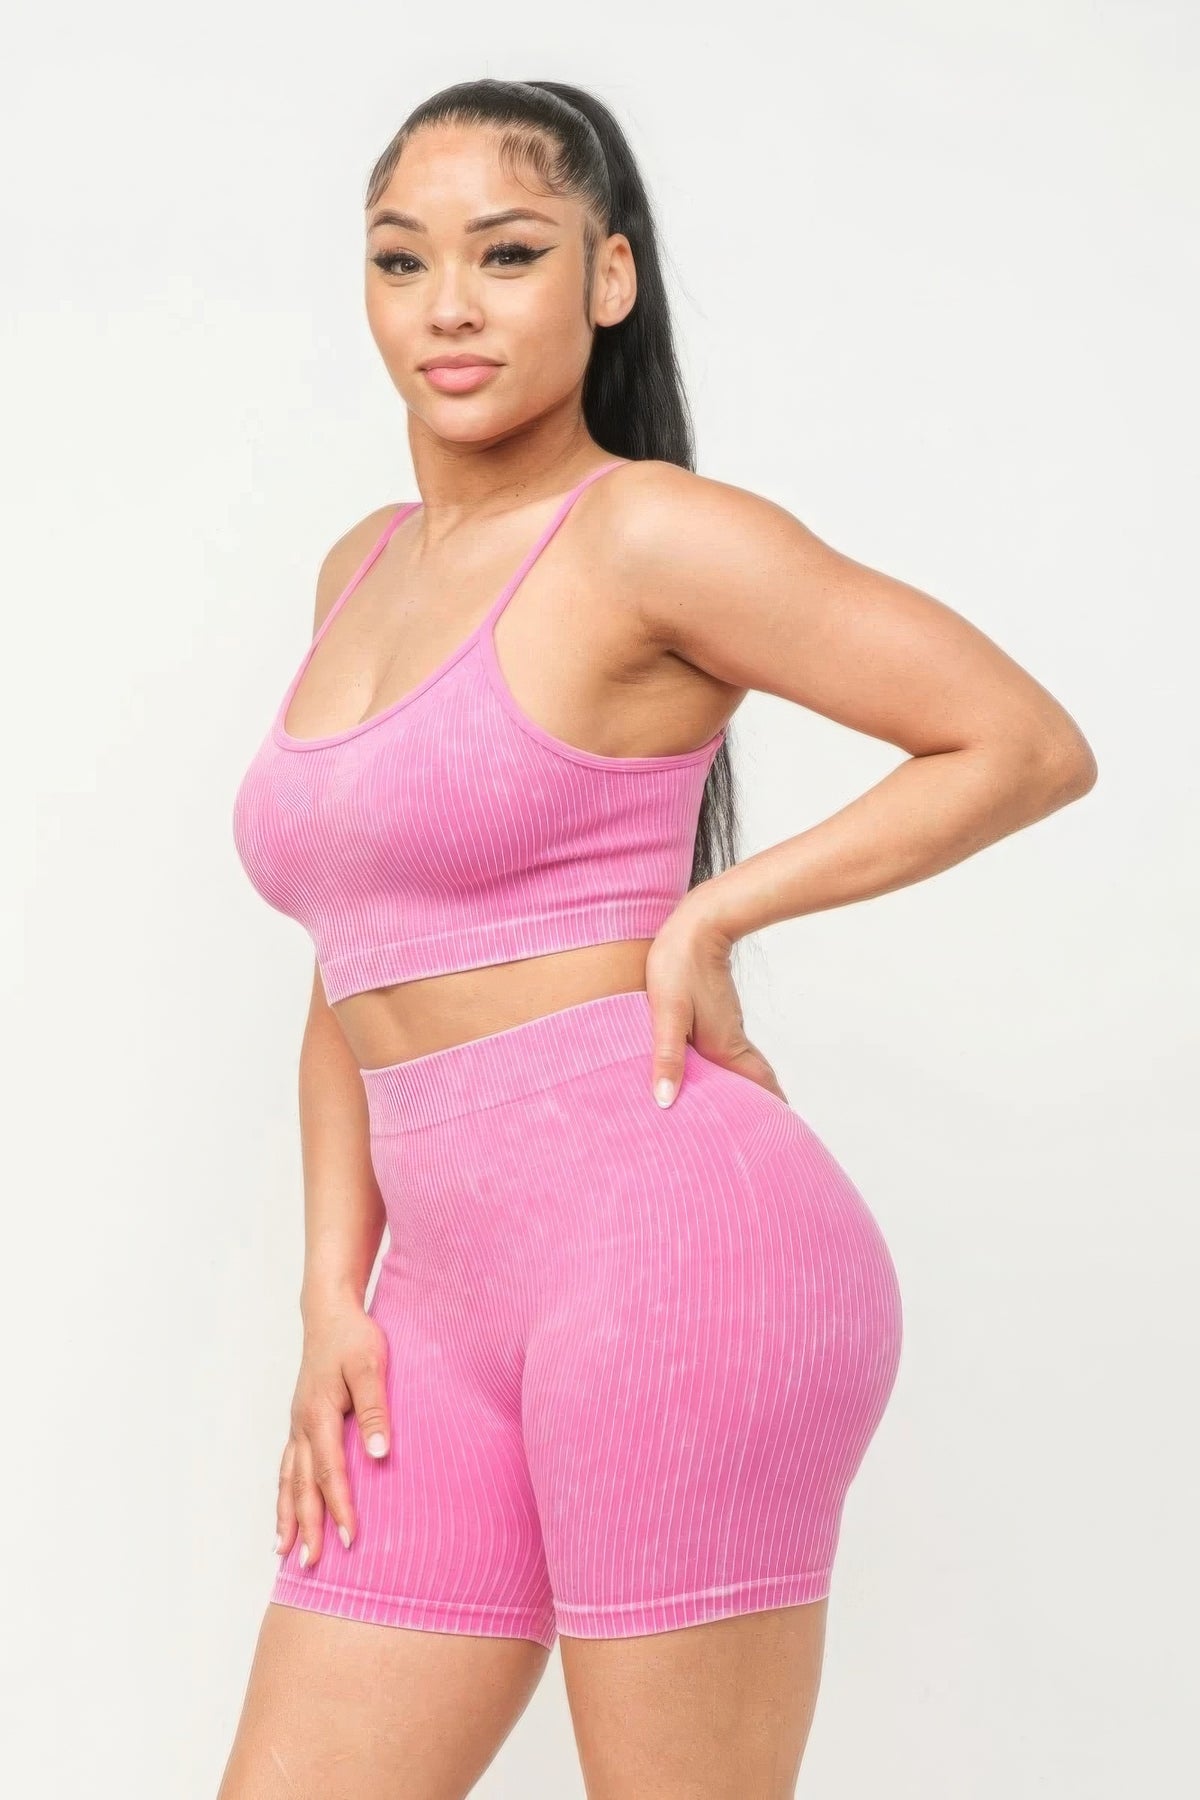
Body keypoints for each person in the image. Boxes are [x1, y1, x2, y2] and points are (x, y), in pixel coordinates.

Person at [219, 77, 1097, 1800]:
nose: (449, 305)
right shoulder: (360, 570)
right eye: (401, 260)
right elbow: (350, 956)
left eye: (508, 254)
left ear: (607, 277)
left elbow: (1020, 741)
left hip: (676, 1253)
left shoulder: (646, 534)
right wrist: (332, 1294)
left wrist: (719, 906)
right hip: (433, 1305)